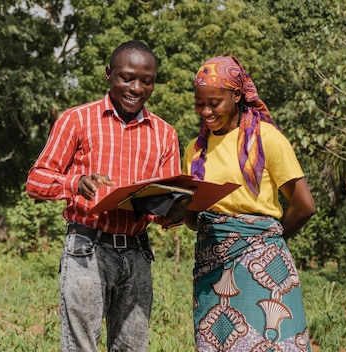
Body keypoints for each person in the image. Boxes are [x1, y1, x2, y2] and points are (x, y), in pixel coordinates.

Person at [26, 40, 182, 351]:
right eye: (126, 77)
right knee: (81, 346)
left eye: (146, 81)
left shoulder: (165, 133)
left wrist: (177, 210)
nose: (136, 88)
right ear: (108, 74)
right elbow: (35, 181)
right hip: (87, 246)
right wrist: (76, 182)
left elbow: (168, 203)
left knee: (131, 347)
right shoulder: (77, 119)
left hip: (137, 253)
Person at [182, 56, 316, 352]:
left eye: (214, 103)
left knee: (273, 343)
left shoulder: (267, 138)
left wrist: (264, 243)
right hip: (211, 267)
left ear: (237, 95)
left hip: (262, 264)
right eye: (199, 103)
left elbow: (304, 205)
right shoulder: (195, 150)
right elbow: (194, 219)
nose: (206, 111)